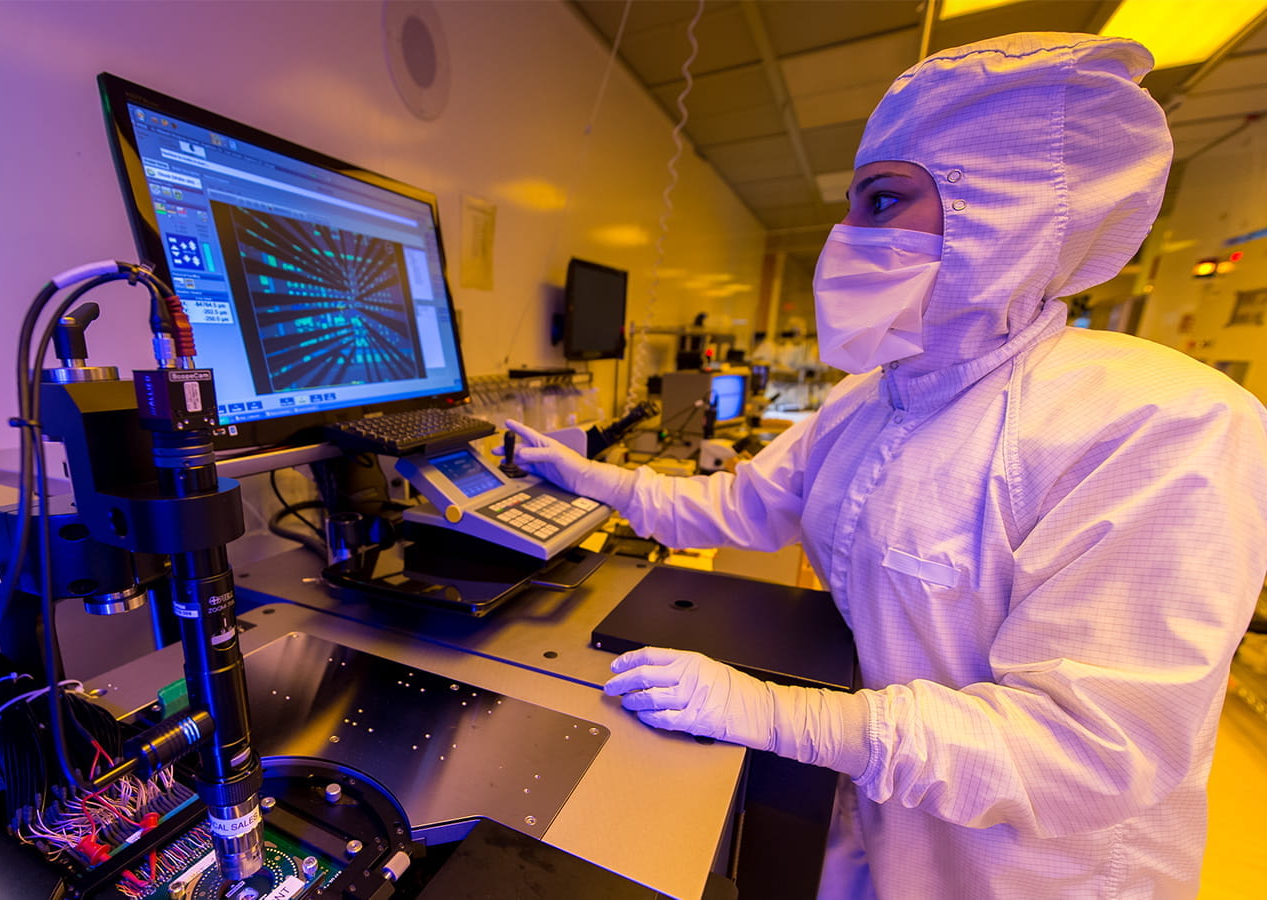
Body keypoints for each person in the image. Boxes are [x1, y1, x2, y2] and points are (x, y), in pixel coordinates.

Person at [504, 33, 1267, 898]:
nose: (847, 240)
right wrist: (583, 476)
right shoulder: (874, 399)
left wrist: (778, 713)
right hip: (884, 828)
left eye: (883, 201)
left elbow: (1091, 751)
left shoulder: (1158, 423)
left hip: (1034, 873)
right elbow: (741, 509)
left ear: (1004, 215)